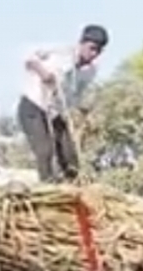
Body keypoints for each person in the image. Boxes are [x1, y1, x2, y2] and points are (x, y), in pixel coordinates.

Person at [17, 24, 109, 183]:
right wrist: (43, 73)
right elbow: (29, 59)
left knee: (69, 154)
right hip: (34, 105)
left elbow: (73, 95)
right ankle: (47, 186)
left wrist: (82, 111)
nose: (93, 54)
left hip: (56, 111)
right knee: (45, 150)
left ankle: (76, 187)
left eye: (98, 51)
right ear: (82, 43)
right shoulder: (62, 53)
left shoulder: (90, 71)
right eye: (91, 48)